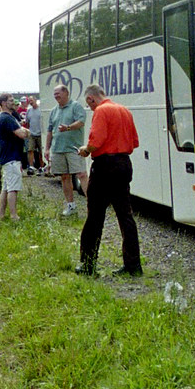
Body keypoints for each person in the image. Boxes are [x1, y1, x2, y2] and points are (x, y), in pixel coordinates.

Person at [76, 83, 141, 277]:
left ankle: (88, 264)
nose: (90, 108)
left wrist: (85, 150)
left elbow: (96, 141)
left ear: (91, 99)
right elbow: (135, 142)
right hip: (124, 164)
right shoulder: (124, 110)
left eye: (89, 105)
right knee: (125, 216)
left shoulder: (101, 111)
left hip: (105, 166)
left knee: (95, 217)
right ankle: (133, 265)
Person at [44, 84, 88, 216]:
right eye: (54, 94)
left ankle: (92, 205)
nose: (56, 96)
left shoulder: (76, 106)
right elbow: (50, 131)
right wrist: (47, 149)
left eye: (58, 93)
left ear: (66, 93)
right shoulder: (54, 111)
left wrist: (68, 127)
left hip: (74, 148)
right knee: (64, 177)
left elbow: (81, 122)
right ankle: (70, 205)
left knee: (82, 175)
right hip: (58, 149)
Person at [0, 93, 30, 220]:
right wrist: (25, 132)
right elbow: (22, 133)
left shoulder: (8, 117)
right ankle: (13, 215)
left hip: (8, 157)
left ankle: (1, 215)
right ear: (4, 103)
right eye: (11, 100)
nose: (13, 102)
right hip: (12, 157)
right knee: (13, 188)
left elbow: (22, 130)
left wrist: (23, 130)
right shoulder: (7, 118)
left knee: (5, 187)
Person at [25, 96, 44, 174]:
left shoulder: (41, 110)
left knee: (41, 151)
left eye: (31, 100)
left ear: (35, 100)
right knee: (30, 150)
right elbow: (27, 122)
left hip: (40, 133)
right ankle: (31, 166)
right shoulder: (29, 111)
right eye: (29, 101)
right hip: (31, 133)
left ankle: (42, 166)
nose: (30, 102)